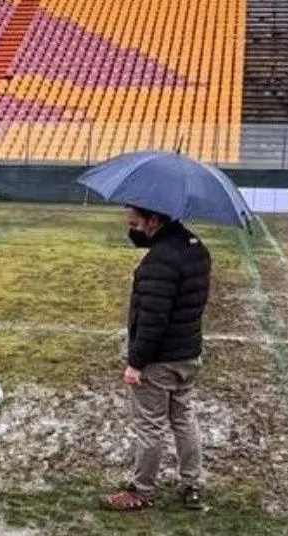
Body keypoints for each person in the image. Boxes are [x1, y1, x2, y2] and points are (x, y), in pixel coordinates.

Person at [103, 205, 212, 512]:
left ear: (154, 220)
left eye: (136, 222)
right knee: (184, 419)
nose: (132, 228)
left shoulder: (161, 260)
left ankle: (142, 490)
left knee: (150, 426)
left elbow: (153, 319)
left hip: (160, 361)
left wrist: (136, 363)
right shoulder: (196, 248)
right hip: (188, 355)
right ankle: (192, 485)